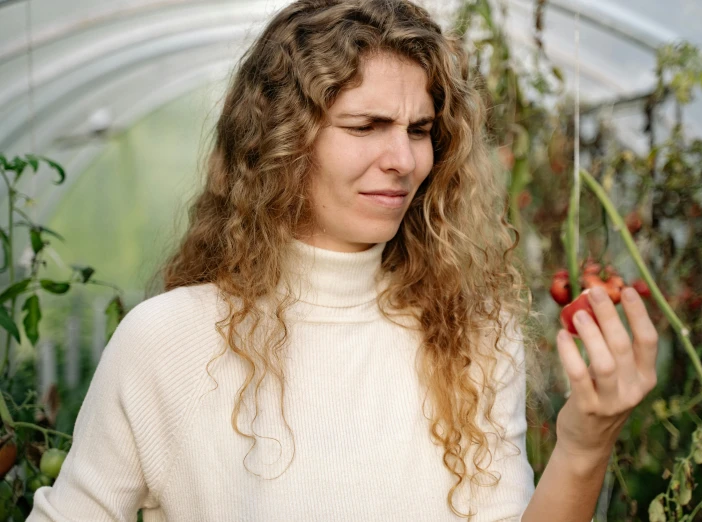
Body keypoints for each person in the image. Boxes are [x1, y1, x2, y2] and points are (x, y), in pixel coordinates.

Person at [27, 0, 659, 520]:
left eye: (419, 131)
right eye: (366, 126)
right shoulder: (168, 341)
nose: (405, 161)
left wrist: (583, 441)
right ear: (281, 141)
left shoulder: (470, 337)